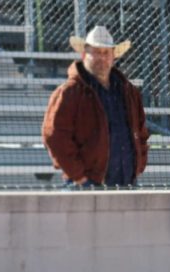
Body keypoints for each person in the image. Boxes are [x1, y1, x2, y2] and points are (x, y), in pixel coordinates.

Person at [42, 25, 150, 187]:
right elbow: (55, 136)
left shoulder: (129, 92)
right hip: (86, 184)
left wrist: (138, 165)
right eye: (96, 52)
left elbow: (141, 131)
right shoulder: (69, 92)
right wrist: (79, 176)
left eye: (106, 53)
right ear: (85, 54)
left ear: (114, 56)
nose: (102, 57)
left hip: (127, 182)